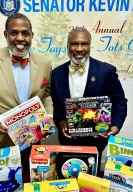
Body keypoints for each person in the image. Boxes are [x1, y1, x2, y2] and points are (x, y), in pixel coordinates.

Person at [0, 13, 53, 181]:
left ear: (31, 36)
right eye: (14, 33)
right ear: (6, 34)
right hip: (1, 139)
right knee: (4, 181)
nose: (20, 38)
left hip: (33, 138)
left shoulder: (44, 63)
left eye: (25, 33)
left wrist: (48, 118)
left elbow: (47, 95)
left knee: (31, 181)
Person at [51, 27, 127, 172]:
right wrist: (61, 120)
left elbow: (119, 101)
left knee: (92, 179)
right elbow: (55, 103)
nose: (79, 49)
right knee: (68, 176)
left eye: (84, 44)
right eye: (74, 44)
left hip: (96, 140)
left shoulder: (106, 71)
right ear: (67, 46)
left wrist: (115, 126)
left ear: (90, 46)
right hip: (68, 139)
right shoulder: (56, 73)